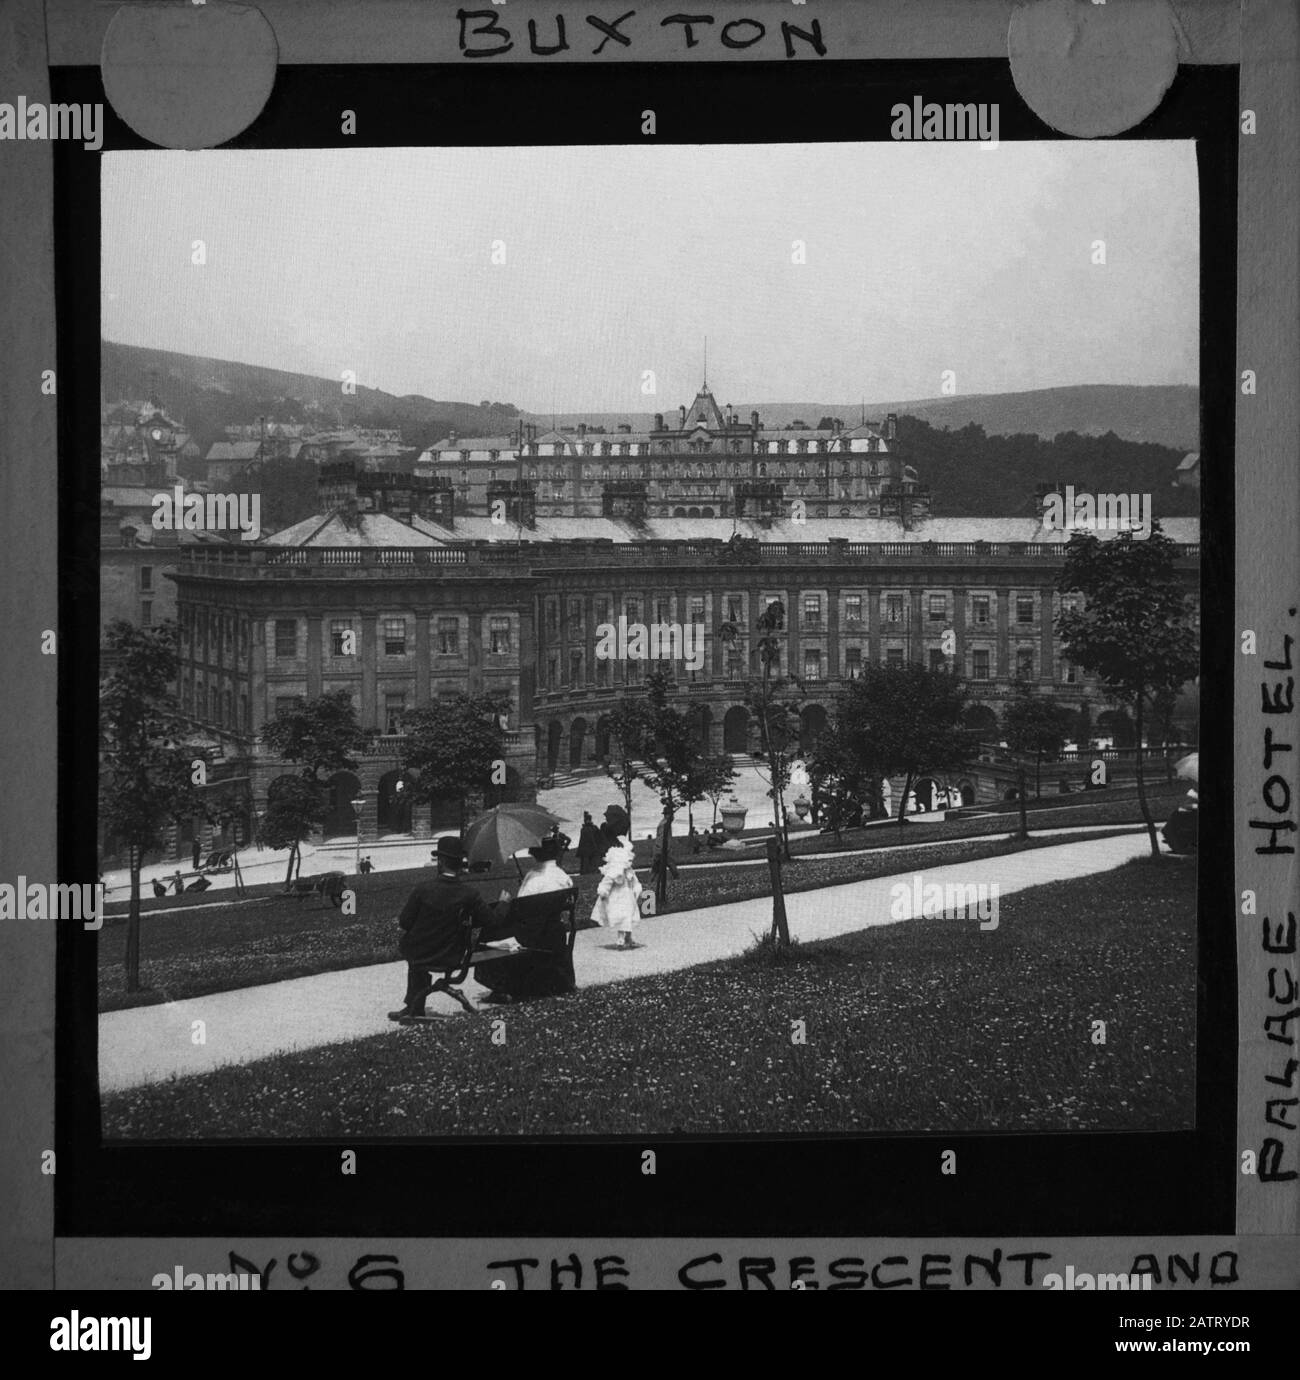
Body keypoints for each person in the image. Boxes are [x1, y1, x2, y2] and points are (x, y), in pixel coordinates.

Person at [388, 836, 496, 1021]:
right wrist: (503, 903)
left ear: (440, 861)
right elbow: (489, 920)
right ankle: (414, 1005)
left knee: (416, 956)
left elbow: (405, 922)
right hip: (453, 956)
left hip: (420, 954)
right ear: (459, 863)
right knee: (420, 955)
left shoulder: (423, 889)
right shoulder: (470, 894)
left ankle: (414, 1006)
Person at [474, 836, 576, 1005]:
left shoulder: (533, 877)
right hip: (554, 933)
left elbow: (522, 910)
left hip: (533, 935)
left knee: (489, 933)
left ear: (535, 854)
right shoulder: (563, 876)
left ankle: (501, 986)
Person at [592, 836, 643, 949]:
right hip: (617, 898)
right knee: (622, 918)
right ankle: (621, 939)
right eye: (627, 860)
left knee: (629, 916)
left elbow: (635, 881)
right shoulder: (615, 871)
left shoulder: (629, 871)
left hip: (628, 897)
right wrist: (603, 892)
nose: (630, 862)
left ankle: (628, 938)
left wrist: (637, 888)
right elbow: (607, 882)